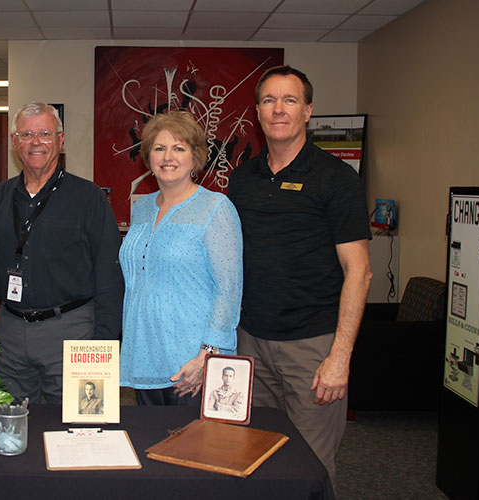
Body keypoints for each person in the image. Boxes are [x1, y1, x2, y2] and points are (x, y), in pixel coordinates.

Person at [227, 65, 372, 488]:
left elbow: (359, 271)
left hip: (312, 348)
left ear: (308, 111)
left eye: (289, 100)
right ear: (257, 112)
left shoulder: (336, 178)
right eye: (269, 101)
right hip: (251, 340)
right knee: (255, 454)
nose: (279, 110)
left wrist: (340, 357)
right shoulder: (243, 178)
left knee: (310, 468)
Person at [0, 102, 124, 405]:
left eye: (45, 133)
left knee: (81, 425)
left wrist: (104, 345)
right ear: (14, 142)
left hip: (74, 331)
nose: (36, 142)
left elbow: (109, 277)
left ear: (60, 140)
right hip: (9, 336)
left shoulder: (89, 199)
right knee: (10, 429)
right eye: (27, 134)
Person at [119, 111, 243, 406]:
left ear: (195, 156)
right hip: (145, 356)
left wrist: (207, 355)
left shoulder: (215, 208)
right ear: (148, 156)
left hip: (192, 364)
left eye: (179, 148)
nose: (167, 156)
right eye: (159, 148)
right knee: (149, 444)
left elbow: (229, 288)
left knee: (196, 449)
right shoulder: (143, 208)